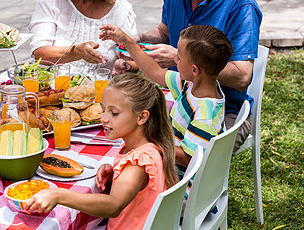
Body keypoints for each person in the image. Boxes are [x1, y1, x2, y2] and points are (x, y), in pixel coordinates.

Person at [114, 0, 262, 154]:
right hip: (180, 97)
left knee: (148, 149)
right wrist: (140, 41)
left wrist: (179, 57)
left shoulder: (239, 4)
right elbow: (164, 31)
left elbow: (242, 77)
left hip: (221, 112)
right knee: (119, 127)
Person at [25, 73, 178, 230]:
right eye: (103, 110)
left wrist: (59, 196)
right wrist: (117, 174)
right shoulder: (150, 147)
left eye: (114, 113)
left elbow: (113, 205)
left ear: (142, 117)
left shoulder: (139, 160)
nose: (103, 118)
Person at [100, 24, 233, 169]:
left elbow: (188, 159)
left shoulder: (205, 114)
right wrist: (127, 41)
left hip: (179, 184)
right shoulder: (193, 85)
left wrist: (148, 143)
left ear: (194, 69)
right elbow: (155, 72)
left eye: (179, 58)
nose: (175, 61)